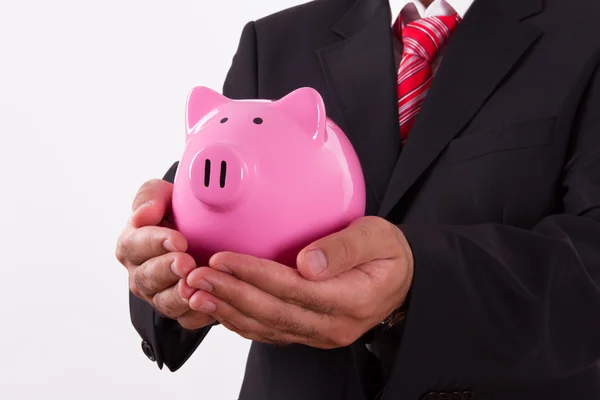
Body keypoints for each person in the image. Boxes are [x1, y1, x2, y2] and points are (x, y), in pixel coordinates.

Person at [115, 0, 600, 398]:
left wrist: (413, 288)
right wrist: (160, 266)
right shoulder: (277, 42)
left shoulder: (586, 31)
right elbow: (198, 207)